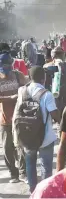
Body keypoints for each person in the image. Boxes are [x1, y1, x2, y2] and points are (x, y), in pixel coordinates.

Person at [19, 66, 61, 193]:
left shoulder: (22, 91)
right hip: (45, 137)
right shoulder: (46, 94)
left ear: (29, 77)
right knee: (46, 167)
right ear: (44, 78)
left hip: (26, 134)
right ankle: (44, 193)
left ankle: (33, 191)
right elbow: (54, 115)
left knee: (30, 164)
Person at [0, 47, 27, 183]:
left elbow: (26, 90)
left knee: (21, 146)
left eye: (7, 65)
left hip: (20, 117)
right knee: (7, 148)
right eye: (3, 66)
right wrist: (10, 97)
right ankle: (13, 173)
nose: (6, 69)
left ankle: (23, 172)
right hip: (5, 119)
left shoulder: (18, 75)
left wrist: (21, 94)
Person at [44, 47, 66, 113]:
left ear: (64, 55)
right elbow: (46, 83)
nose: (58, 56)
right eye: (56, 54)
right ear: (52, 56)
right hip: (53, 96)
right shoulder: (47, 66)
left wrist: (62, 68)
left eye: (60, 54)